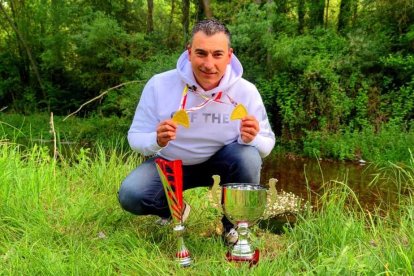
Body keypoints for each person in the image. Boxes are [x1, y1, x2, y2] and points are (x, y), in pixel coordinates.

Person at [118, 19, 275, 245]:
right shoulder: (159, 84)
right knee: (131, 195)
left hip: (222, 163)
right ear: (189, 52)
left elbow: (267, 145)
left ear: (229, 56)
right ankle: (176, 209)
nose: (208, 64)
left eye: (217, 54)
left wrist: (251, 138)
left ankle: (234, 229)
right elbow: (135, 137)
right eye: (201, 53)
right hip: (171, 164)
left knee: (247, 155)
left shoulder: (246, 92)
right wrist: (156, 140)